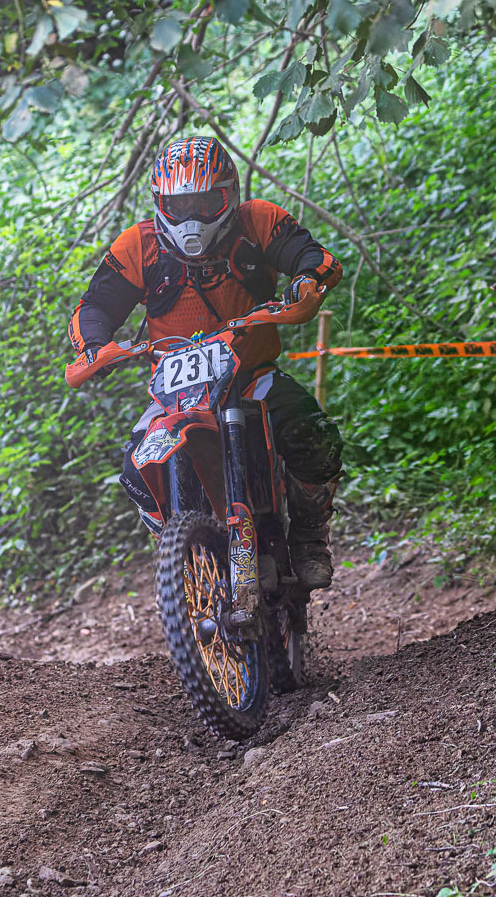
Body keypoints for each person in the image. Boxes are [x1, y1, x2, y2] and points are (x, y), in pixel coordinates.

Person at [68, 136, 344, 589]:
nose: (192, 218)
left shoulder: (257, 221)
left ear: (229, 195)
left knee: (311, 433)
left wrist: (306, 281)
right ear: (160, 203)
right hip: (175, 393)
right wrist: (95, 346)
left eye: (205, 202)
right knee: (135, 469)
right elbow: (95, 305)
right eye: (180, 206)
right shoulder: (139, 245)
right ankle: (180, 552)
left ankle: (310, 534)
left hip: (252, 375)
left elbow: (312, 256)